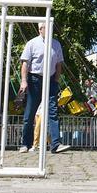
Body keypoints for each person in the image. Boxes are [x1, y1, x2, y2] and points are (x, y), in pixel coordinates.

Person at [19, 22, 68, 154]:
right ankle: (25, 144)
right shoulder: (32, 43)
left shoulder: (56, 44)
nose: (50, 30)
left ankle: (56, 144)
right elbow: (25, 64)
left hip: (51, 80)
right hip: (35, 79)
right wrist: (24, 81)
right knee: (30, 113)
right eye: (47, 28)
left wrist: (56, 81)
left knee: (53, 112)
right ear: (40, 29)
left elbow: (58, 64)